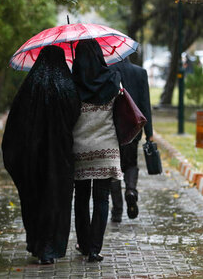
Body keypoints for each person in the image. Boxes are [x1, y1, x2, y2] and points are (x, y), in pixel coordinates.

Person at [1, 46, 81, 264]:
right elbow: (76, 114)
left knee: (35, 198)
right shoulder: (67, 84)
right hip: (60, 154)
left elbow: (15, 121)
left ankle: (37, 243)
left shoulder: (30, 85)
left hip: (32, 155)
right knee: (57, 199)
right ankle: (50, 247)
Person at [71, 39, 123, 262]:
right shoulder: (112, 79)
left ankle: (83, 244)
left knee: (81, 198)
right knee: (102, 198)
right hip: (106, 148)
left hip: (79, 148)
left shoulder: (72, 83)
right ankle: (94, 249)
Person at [109, 56, 153, 222]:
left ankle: (117, 210)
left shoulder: (109, 72)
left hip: (113, 128)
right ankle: (131, 190)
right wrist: (149, 132)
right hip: (134, 127)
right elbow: (145, 104)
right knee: (131, 162)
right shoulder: (140, 72)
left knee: (114, 167)